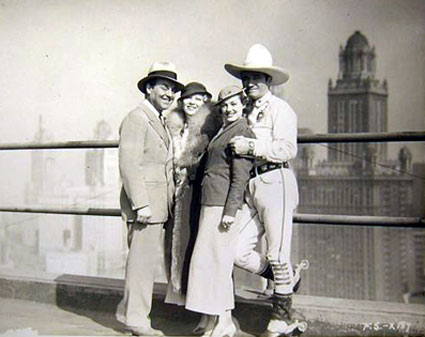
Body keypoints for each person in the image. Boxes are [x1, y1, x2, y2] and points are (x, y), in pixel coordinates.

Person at [226, 44, 302, 336]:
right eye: (246, 77)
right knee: (234, 250)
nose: (250, 83)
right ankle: (285, 278)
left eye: (257, 77)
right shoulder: (244, 111)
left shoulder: (281, 109)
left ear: (269, 80)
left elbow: (287, 148)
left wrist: (252, 146)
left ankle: (281, 314)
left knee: (277, 251)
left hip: (276, 182)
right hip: (251, 186)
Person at [116, 61, 183, 336]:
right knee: (141, 264)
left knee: (143, 263)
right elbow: (129, 164)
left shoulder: (158, 119)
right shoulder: (136, 118)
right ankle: (136, 320)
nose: (169, 94)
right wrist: (140, 203)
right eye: (163, 87)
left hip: (157, 205)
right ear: (148, 88)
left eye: (172, 89)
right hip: (145, 206)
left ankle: (130, 313)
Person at [185, 85, 255, 337]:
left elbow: (240, 177)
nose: (229, 108)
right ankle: (217, 319)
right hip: (211, 200)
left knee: (216, 262)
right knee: (211, 261)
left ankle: (223, 321)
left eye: (234, 103)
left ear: (243, 104)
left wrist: (230, 211)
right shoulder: (225, 129)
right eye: (224, 105)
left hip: (221, 204)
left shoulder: (242, 132)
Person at [164, 82, 222, 333]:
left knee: (205, 252)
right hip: (181, 197)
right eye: (187, 98)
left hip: (201, 195)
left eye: (198, 99)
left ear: (205, 101)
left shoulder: (209, 128)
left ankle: (213, 316)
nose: (191, 102)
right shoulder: (176, 129)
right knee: (187, 252)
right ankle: (200, 312)